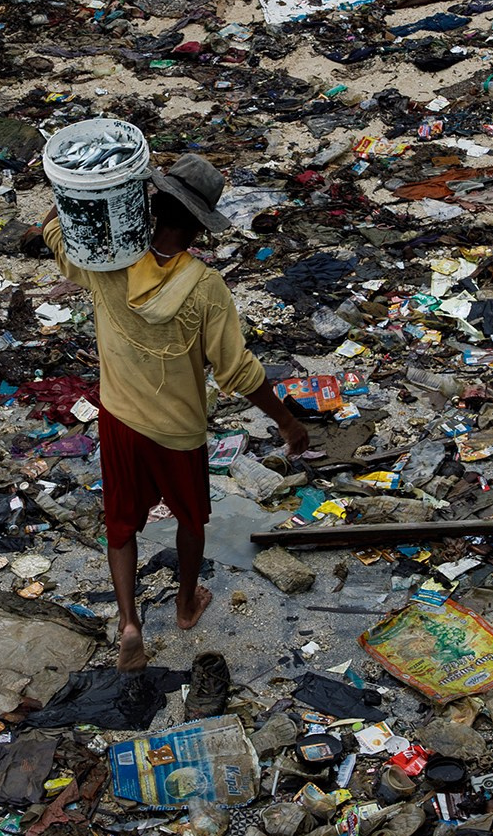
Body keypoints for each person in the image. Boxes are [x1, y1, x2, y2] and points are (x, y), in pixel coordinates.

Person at [42, 153, 310, 674]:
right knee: (190, 520)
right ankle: (186, 605)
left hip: (118, 418)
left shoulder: (105, 263)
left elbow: (53, 228)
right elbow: (238, 373)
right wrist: (287, 421)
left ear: (152, 205)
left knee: (120, 522)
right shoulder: (206, 288)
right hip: (179, 431)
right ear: (199, 227)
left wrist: (78, 197)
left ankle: (129, 623)